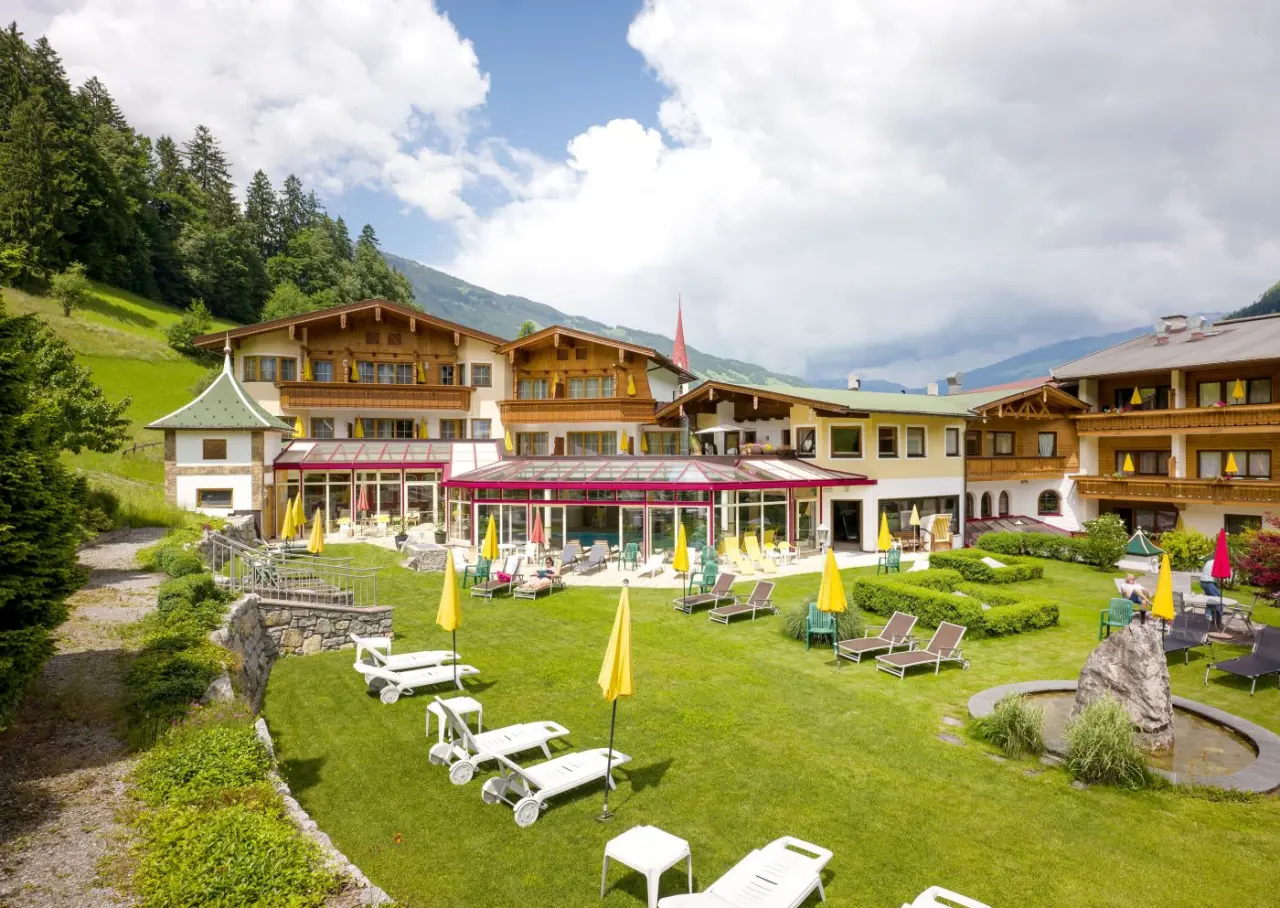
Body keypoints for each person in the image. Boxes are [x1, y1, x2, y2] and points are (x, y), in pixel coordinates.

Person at [1200, 557, 1223, 629]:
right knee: (1219, 602)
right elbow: (1217, 576)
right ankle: (1217, 623)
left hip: (1202, 582)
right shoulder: (1217, 563)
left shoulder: (1209, 561)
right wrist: (1220, 584)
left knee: (1211, 601)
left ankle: (1208, 619)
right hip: (1210, 583)